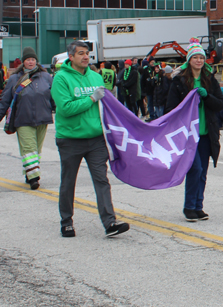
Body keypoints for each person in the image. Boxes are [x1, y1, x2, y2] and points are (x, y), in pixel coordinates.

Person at [51, 40, 130, 238]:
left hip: (96, 139)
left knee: (101, 180)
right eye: (80, 53)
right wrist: (92, 99)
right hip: (70, 139)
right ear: (71, 57)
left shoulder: (96, 77)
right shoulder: (61, 79)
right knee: (68, 182)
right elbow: (66, 108)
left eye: (87, 53)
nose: (85, 56)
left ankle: (110, 222)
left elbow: (106, 107)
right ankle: (66, 222)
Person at [165, 37, 223, 222]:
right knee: (195, 169)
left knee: (203, 172)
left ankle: (199, 206)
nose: (199, 60)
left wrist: (206, 97)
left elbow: (219, 105)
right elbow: (171, 109)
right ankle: (189, 207)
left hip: (207, 133)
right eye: (195, 57)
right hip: (188, 135)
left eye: (201, 57)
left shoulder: (209, 79)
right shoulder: (180, 81)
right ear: (189, 60)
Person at [0, 46, 54, 190]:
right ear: (23, 62)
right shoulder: (14, 79)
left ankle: (29, 173)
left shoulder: (47, 77)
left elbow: (54, 97)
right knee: (29, 149)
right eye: (28, 60)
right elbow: (5, 100)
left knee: (36, 150)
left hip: (42, 118)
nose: (30, 62)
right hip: (22, 119)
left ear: (36, 61)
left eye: (33, 59)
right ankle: (34, 178)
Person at [142, 56, 156, 122]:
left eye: (154, 62)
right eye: (152, 62)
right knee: (150, 103)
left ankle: (156, 115)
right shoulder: (146, 69)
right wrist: (143, 89)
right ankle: (151, 115)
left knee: (156, 103)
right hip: (149, 89)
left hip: (156, 89)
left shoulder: (156, 69)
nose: (153, 63)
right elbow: (143, 80)